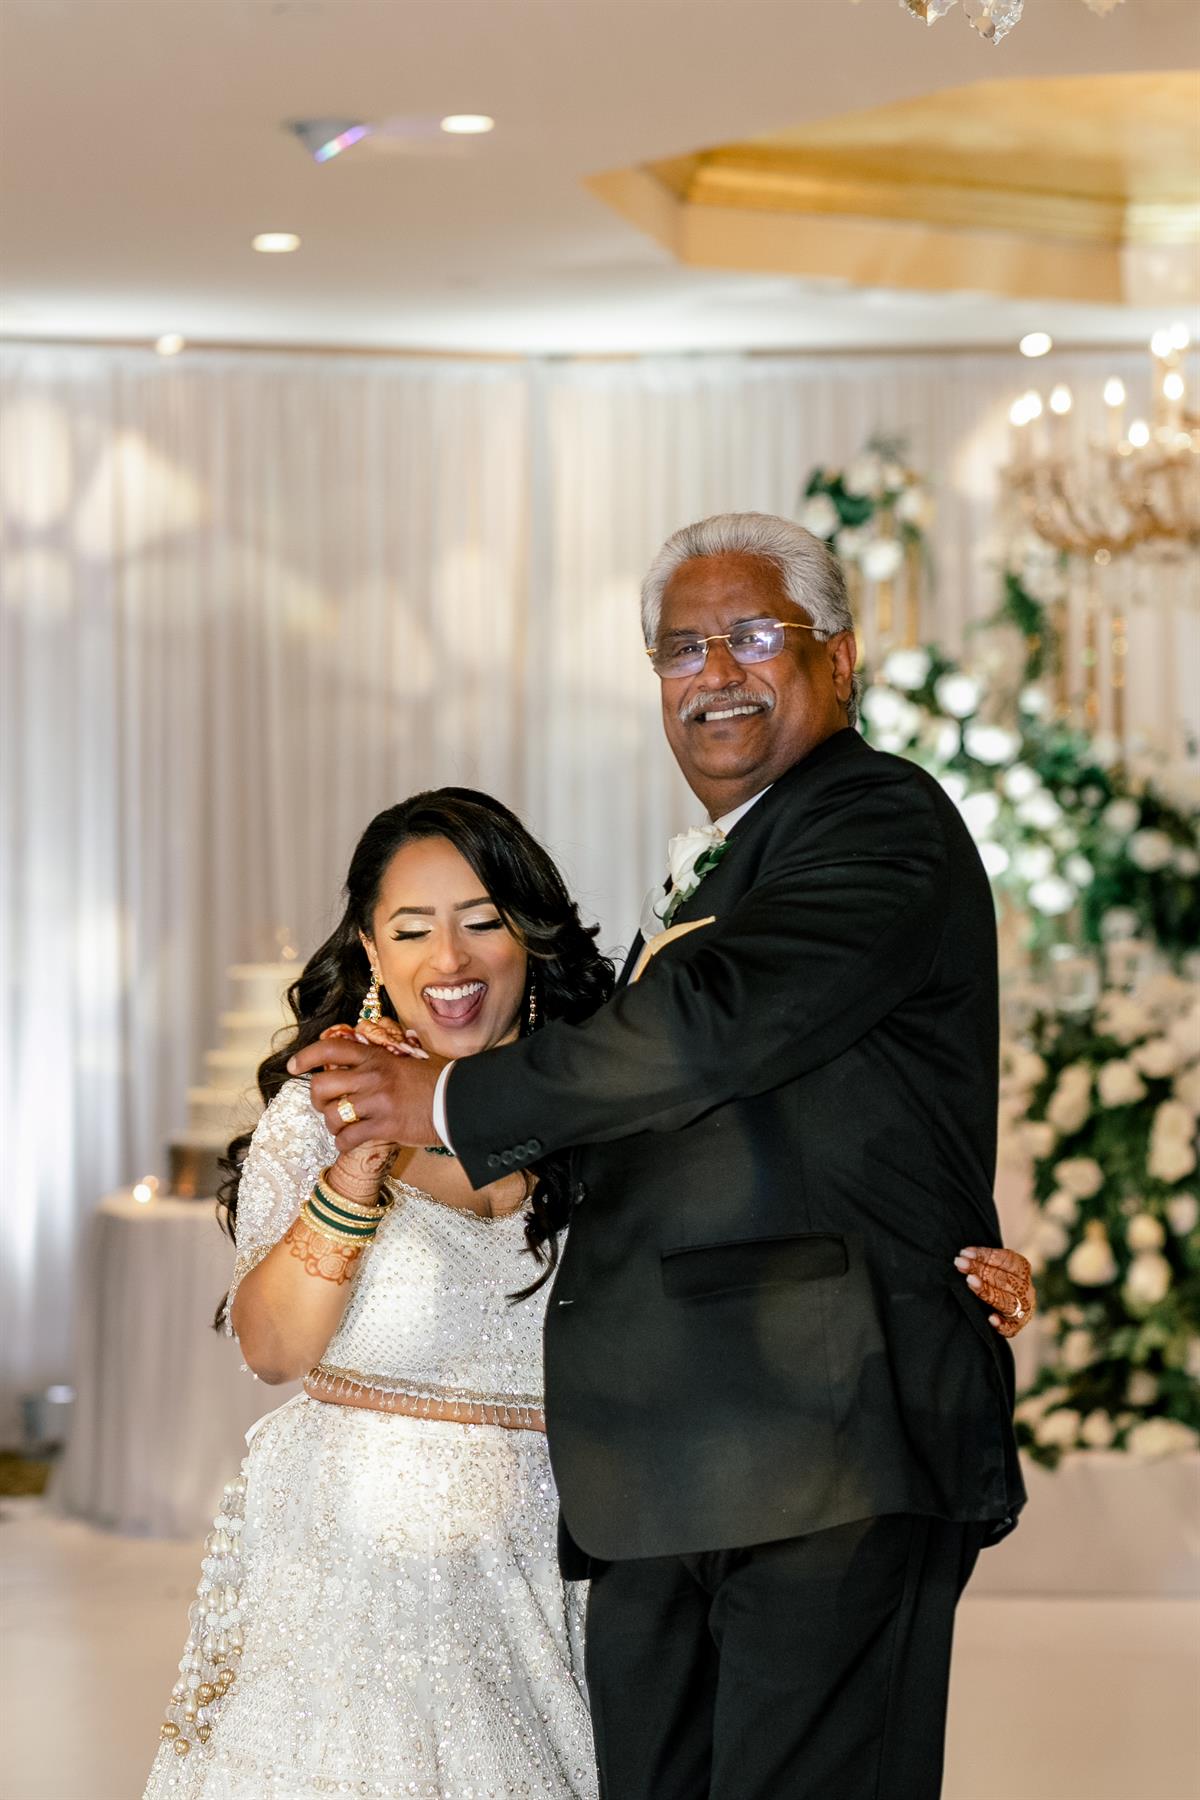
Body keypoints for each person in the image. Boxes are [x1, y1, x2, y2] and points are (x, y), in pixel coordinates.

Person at [292, 513, 1033, 1800]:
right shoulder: (732, 863)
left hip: (819, 1445)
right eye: (682, 648)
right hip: (671, 1467)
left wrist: (450, 1099)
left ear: (840, 658)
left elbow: (711, 1024)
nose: (715, 672)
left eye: (753, 636)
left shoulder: (879, 817)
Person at [143, 789, 613, 1799]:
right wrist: (358, 1170)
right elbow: (272, 1350)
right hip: (353, 1583)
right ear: (370, 949)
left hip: (553, 1570)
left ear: (531, 937)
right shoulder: (317, 1115)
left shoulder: (606, 1117)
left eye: (482, 920)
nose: (449, 959)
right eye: (411, 930)